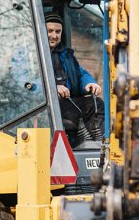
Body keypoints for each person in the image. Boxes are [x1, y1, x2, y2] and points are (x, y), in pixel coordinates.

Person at [45, 12, 104, 143]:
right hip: (46, 106)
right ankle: (82, 141)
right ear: (41, 31)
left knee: (96, 104)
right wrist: (52, 87)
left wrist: (89, 83)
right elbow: (26, 81)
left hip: (68, 103)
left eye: (57, 31)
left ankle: (98, 144)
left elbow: (80, 73)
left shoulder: (66, 55)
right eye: (49, 31)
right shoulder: (30, 54)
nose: (54, 35)